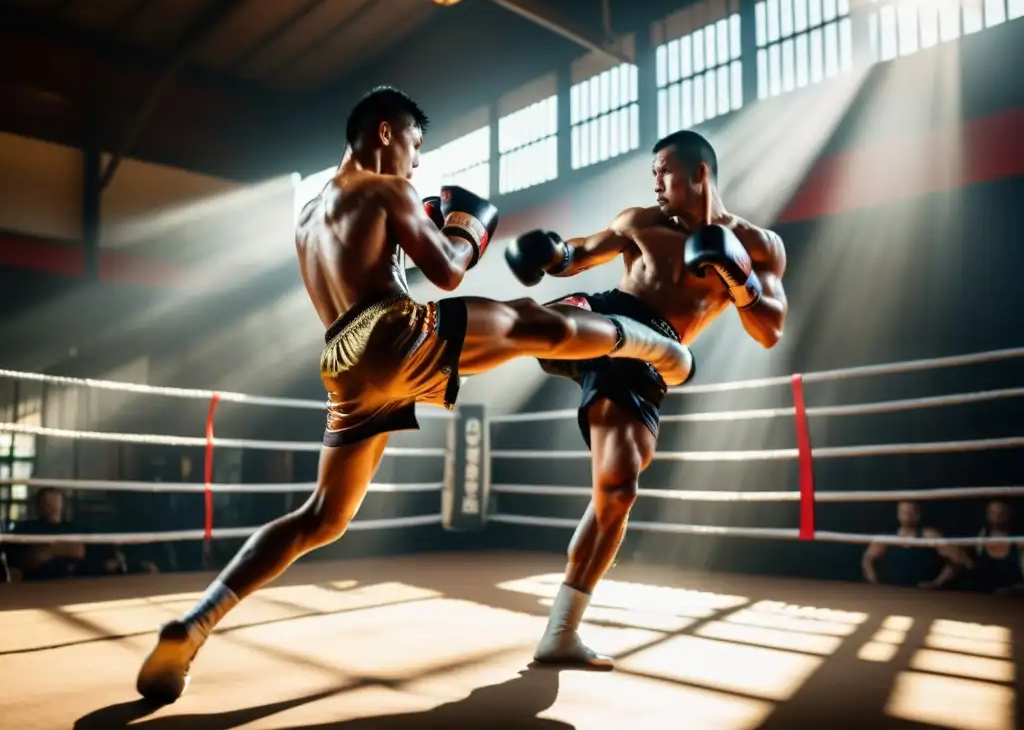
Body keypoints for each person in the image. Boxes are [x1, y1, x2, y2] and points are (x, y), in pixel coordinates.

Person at [135, 86, 694, 703]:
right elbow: (448, 270)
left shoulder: (308, 213)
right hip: (391, 331)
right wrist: (466, 228)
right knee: (526, 320)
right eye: (414, 145)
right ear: (384, 132)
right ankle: (650, 345)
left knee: (321, 517)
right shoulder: (385, 187)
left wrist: (422, 231)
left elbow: (371, 270)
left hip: (343, 360)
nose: (416, 162)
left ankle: (195, 624)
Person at [504, 130, 788, 668]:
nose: (655, 181)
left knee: (618, 490)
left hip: (648, 361)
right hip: (609, 314)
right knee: (544, 324)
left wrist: (740, 277)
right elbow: (579, 254)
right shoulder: (640, 223)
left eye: (664, 170)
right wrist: (551, 253)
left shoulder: (756, 245)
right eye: (652, 172)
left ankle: (561, 633)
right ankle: (448, 345)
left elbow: (770, 329)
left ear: (700, 172)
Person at [861, 500, 964, 589]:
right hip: (892, 592)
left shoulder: (929, 535)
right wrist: (874, 582)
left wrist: (937, 583)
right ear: (898, 514)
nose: (907, 517)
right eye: (904, 513)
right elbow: (867, 559)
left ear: (918, 515)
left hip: (925, 595)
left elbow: (958, 559)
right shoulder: (887, 539)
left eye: (911, 513)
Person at [971, 499, 1024, 595]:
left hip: (1015, 600)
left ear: (1010, 513)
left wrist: (1013, 590)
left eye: (1002, 513)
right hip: (982, 599)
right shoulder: (978, 539)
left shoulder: (1020, 542)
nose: (997, 516)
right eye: (993, 512)